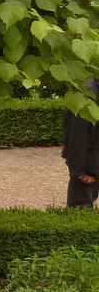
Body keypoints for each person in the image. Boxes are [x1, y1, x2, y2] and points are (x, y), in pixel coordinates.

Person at [62, 77, 99, 208]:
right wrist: (80, 170)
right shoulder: (87, 93)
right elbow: (77, 135)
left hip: (90, 162)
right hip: (86, 166)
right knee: (80, 206)